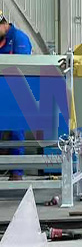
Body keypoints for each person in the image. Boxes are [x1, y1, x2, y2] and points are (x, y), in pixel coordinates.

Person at [0, 11, 32, 179]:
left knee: (16, 130)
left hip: (17, 93)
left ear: (3, 24)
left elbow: (23, 69)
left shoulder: (19, 39)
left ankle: (16, 172)